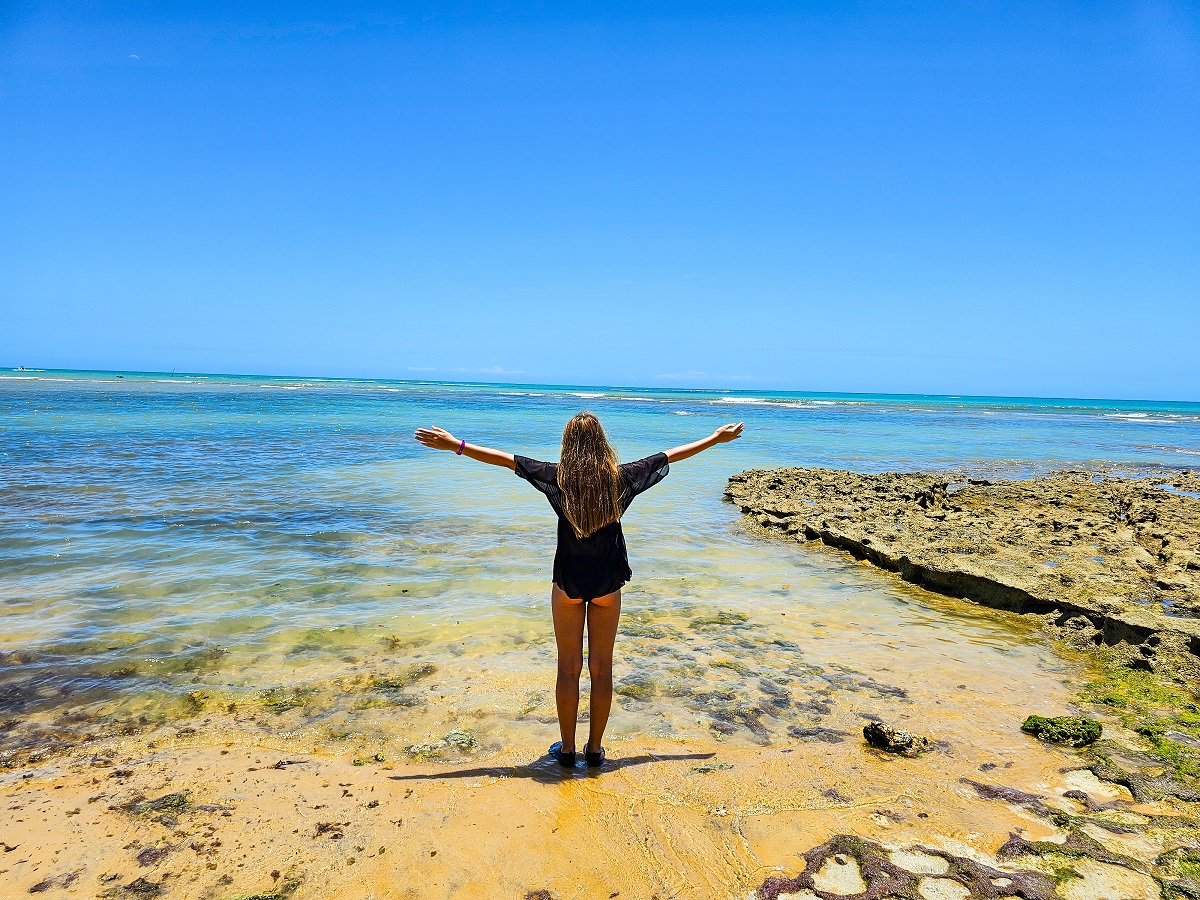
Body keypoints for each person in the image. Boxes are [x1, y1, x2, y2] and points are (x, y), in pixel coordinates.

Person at [415, 412, 744, 769]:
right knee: (602, 670)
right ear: (602, 443)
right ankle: (596, 750)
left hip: (568, 583)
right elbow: (671, 455)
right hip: (607, 583)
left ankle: (568, 750)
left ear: (567, 445)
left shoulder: (557, 478)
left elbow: (503, 459)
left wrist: (456, 445)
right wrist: (714, 439)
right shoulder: (622, 478)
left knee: (568, 669)